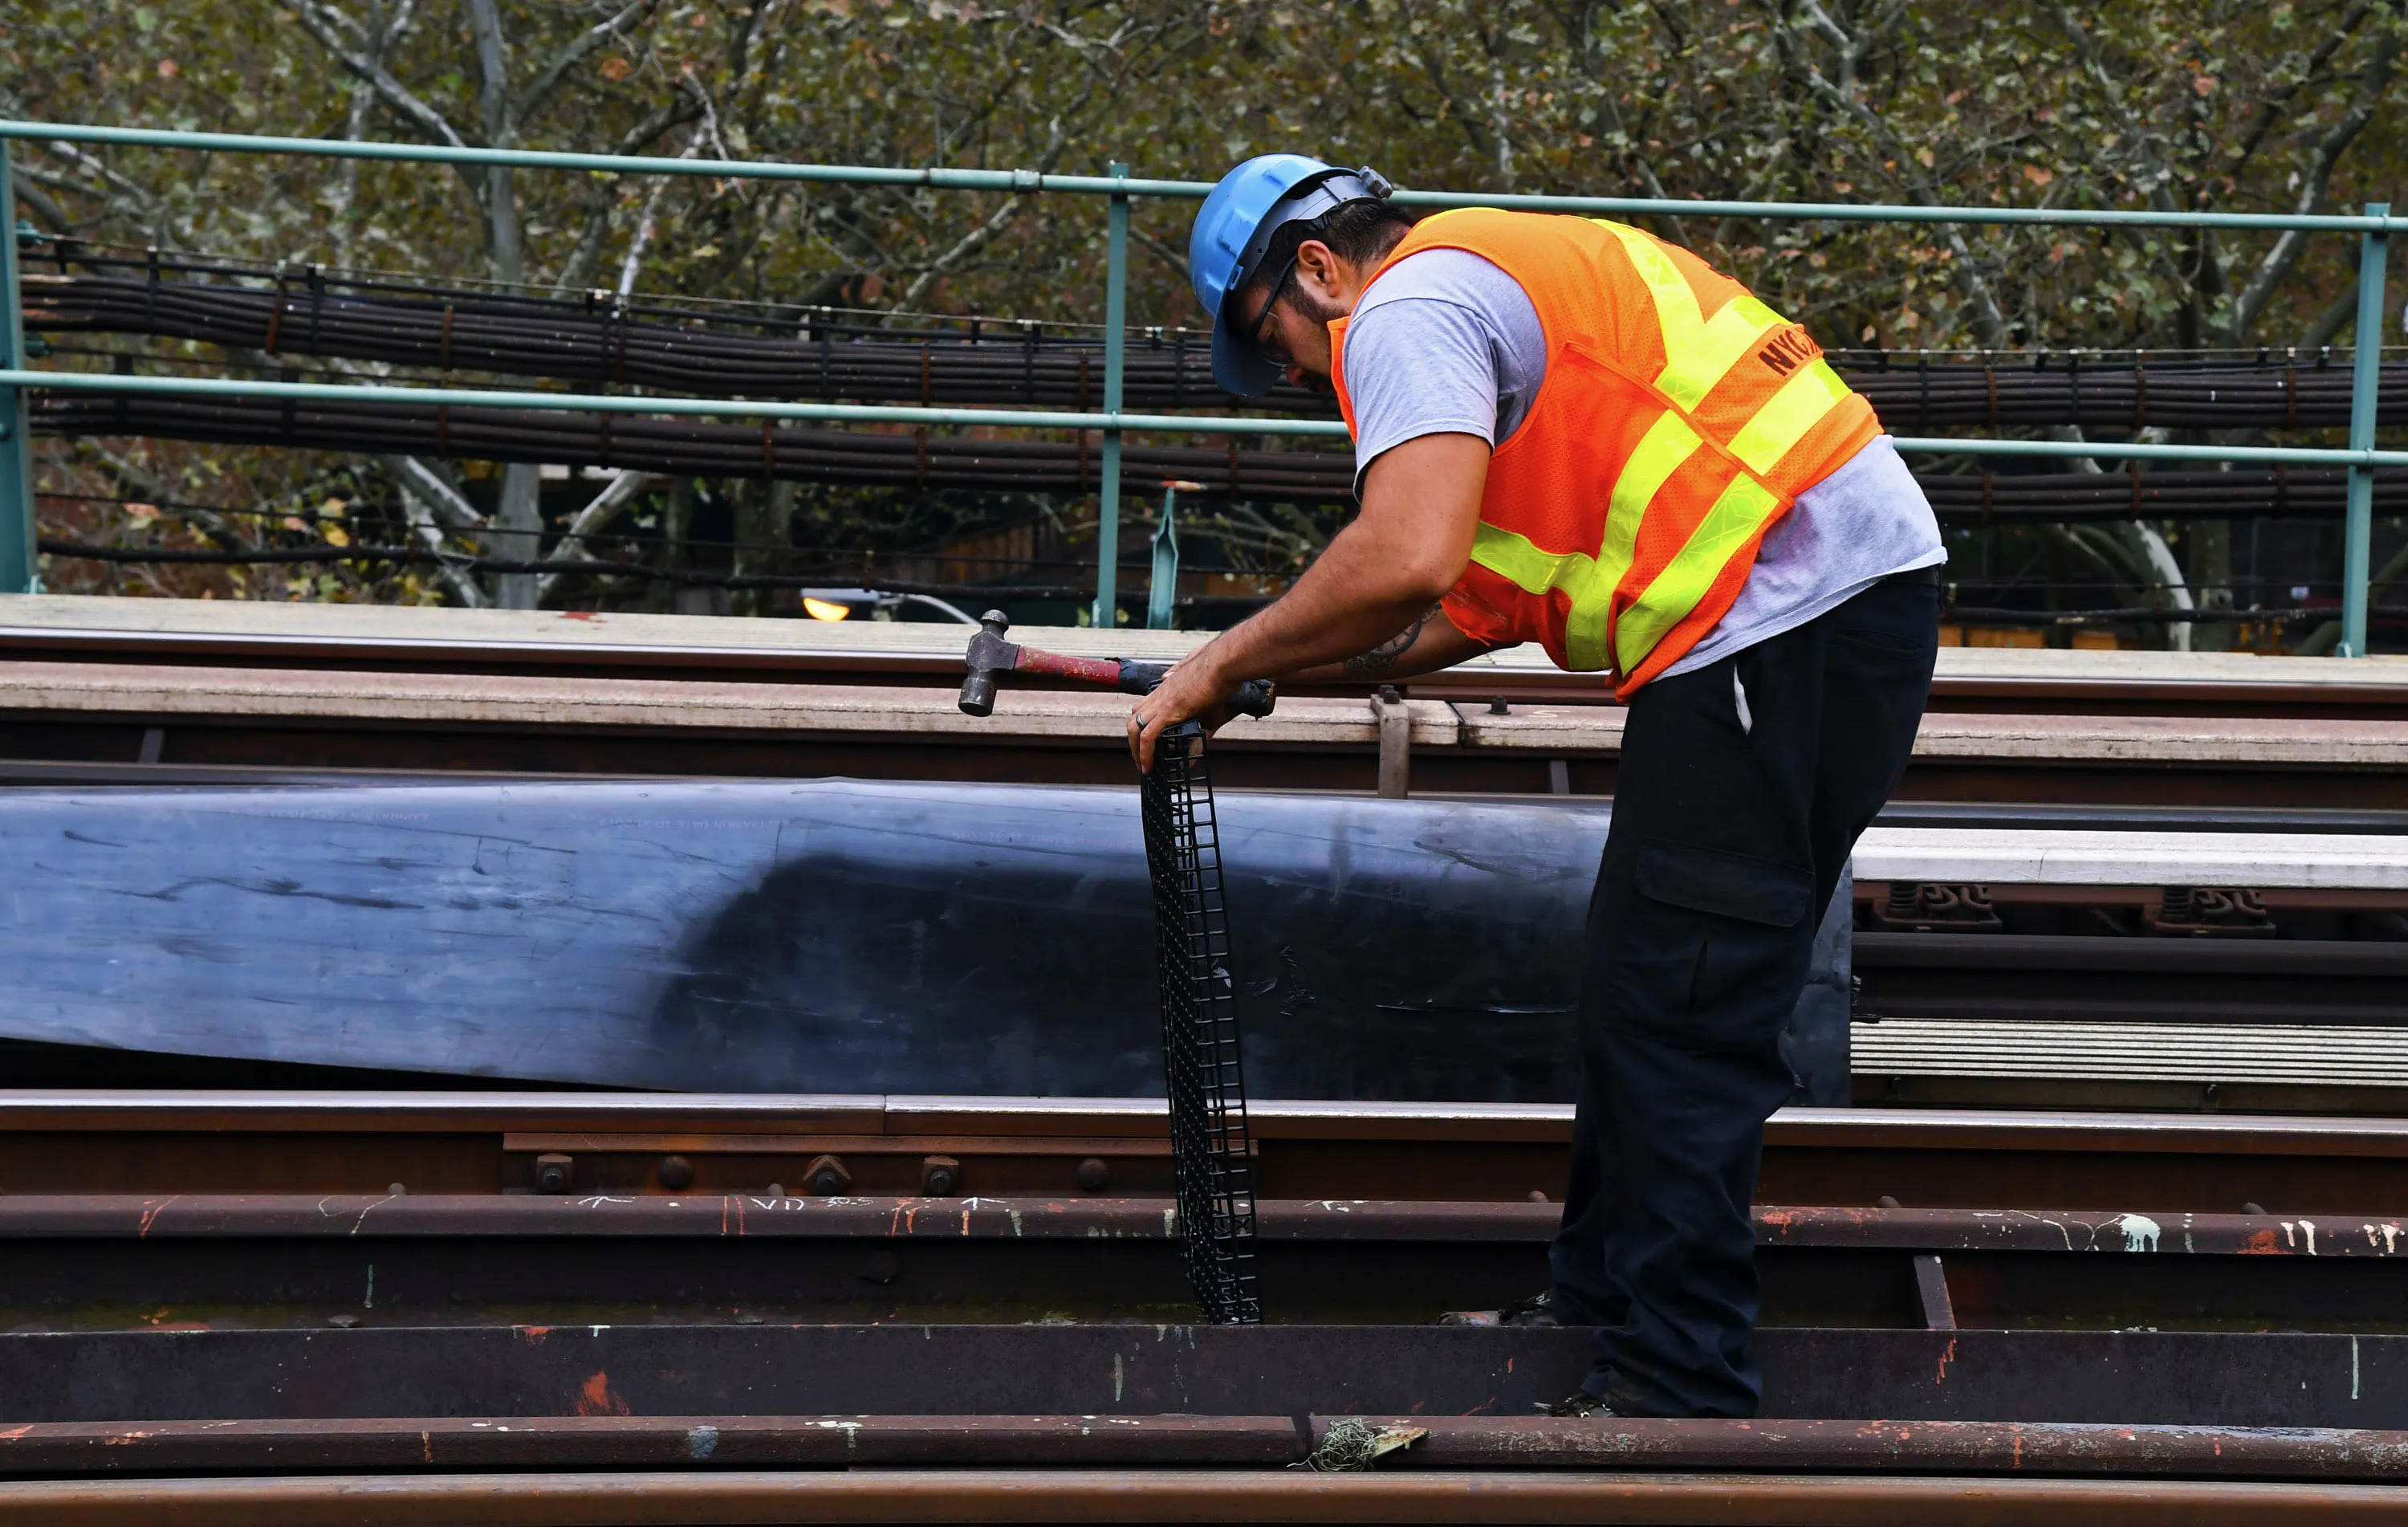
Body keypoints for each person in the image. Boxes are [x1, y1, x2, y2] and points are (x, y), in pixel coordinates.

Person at [1129, 156, 1943, 1419]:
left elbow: (1403, 553)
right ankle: (1600, 1307)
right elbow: (1459, 604)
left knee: (1683, 1005)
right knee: (1639, 982)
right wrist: (1258, 670)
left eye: (1270, 338)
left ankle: (1678, 1380)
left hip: (1786, 611)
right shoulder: (1487, 295)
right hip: (1790, 613)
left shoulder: (1404, 306)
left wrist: (1222, 658)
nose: (1290, 374)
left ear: (1318, 269)